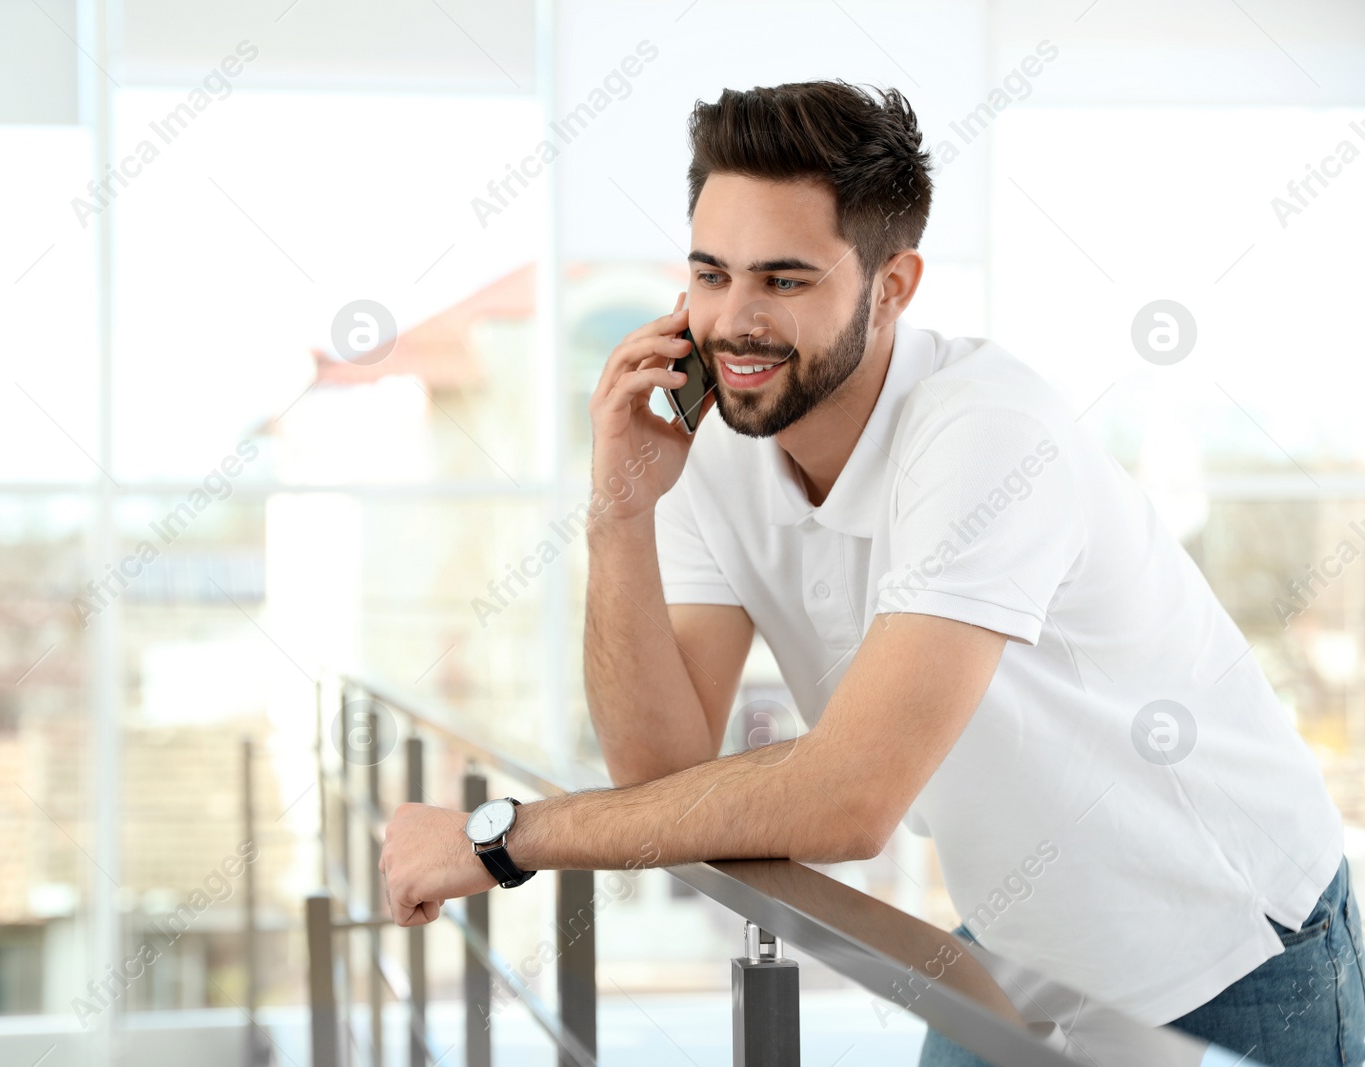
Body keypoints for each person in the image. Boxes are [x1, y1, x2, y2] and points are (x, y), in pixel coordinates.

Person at [380, 79, 1363, 1065]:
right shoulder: (710, 447)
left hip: (1227, 945)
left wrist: (503, 837)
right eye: (711, 274)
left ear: (892, 285)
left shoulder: (984, 431)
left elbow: (852, 797)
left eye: (785, 279)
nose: (734, 322)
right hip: (1025, 941)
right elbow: (664, 775)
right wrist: (619, 511)